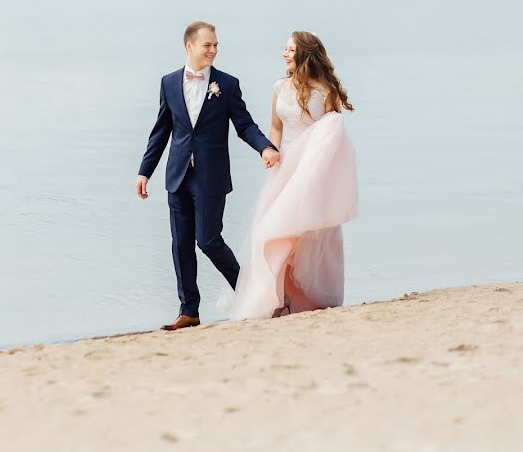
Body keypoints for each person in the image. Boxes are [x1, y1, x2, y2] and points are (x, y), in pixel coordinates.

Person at [136, 21, 280, 331]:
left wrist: (264, 148)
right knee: (181, 244)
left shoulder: (227, 85)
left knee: (209, 240)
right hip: (177, 176)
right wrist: (144, 171)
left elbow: (245, 125)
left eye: (216, 45)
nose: (214, 50)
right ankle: (189, 311)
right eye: (207, 45)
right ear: (189, 47)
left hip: (211, 176)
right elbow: (161, 131)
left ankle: (252, 292)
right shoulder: (169, 83)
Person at [224, 31, 358, 320]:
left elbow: (332, 137)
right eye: (284, 49)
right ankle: (278, 300)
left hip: (312, 175)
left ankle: (304, 302)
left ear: (305, 54)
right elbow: (276, 126)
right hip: (284, 170)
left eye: (290, 49)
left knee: (307, 238)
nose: (284, 54)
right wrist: (270, 152)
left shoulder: (325, 91)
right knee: (272, 231)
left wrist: (320, 173)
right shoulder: (279, 88)